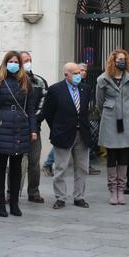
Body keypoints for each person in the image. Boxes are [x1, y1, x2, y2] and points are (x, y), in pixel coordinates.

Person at [0, 51, 37, 217]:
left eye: (17, 61)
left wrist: (33, 129)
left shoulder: (25, 81)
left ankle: (14, 203)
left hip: (20, 127)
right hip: (2, 126)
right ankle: (1, 204)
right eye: (11, 61)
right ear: (6, 62)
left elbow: (30, 108)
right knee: (0, 167)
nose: (14, 64)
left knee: (17, 168)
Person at [42, 63, 93, 208]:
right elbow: (48, 112)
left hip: (82, 133)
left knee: (82, 168)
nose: (79, 75)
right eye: (75, 73)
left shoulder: (85, 89)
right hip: (63, 134)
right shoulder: (55, 90)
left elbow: (85, 111)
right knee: (61, 168)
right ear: (66, 75)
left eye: (79, 72)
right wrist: (57, 128)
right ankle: (60, 197)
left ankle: (79, 197)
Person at [96, 49, 129, 206]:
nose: (122, 61)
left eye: (124, 59)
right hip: (110, 120)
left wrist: (125, 109)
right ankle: (112, 190)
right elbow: (99, 102)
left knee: (124, 155)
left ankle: (121, 189)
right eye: (119, 59)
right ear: (113, 61)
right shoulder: (103, 79)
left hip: (126, 121)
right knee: (112, 155)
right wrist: (110, 110)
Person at [20, 51, 48, 204]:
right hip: (15, 128)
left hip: (34, 128)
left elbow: (43, 105)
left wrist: (32, 122)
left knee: (34, 163)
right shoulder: (10, 80)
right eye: (25, 60)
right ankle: (12, 192)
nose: (28, 62)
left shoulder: (40, 81)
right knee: (16, 163)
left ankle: (34, 192)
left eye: (29, 60)